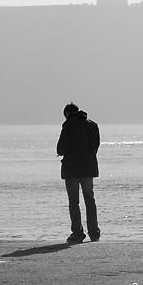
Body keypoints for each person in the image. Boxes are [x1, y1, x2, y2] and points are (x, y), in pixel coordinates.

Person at [56, 102, 101, 242]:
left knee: (74, 202)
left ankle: (78, 233)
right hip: (88, 168)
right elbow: (96, 145)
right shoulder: (92, 125)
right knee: (90, 200)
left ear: (67, 114)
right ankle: (94, 233)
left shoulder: (68, 125)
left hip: (72, 169)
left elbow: (61, 149)